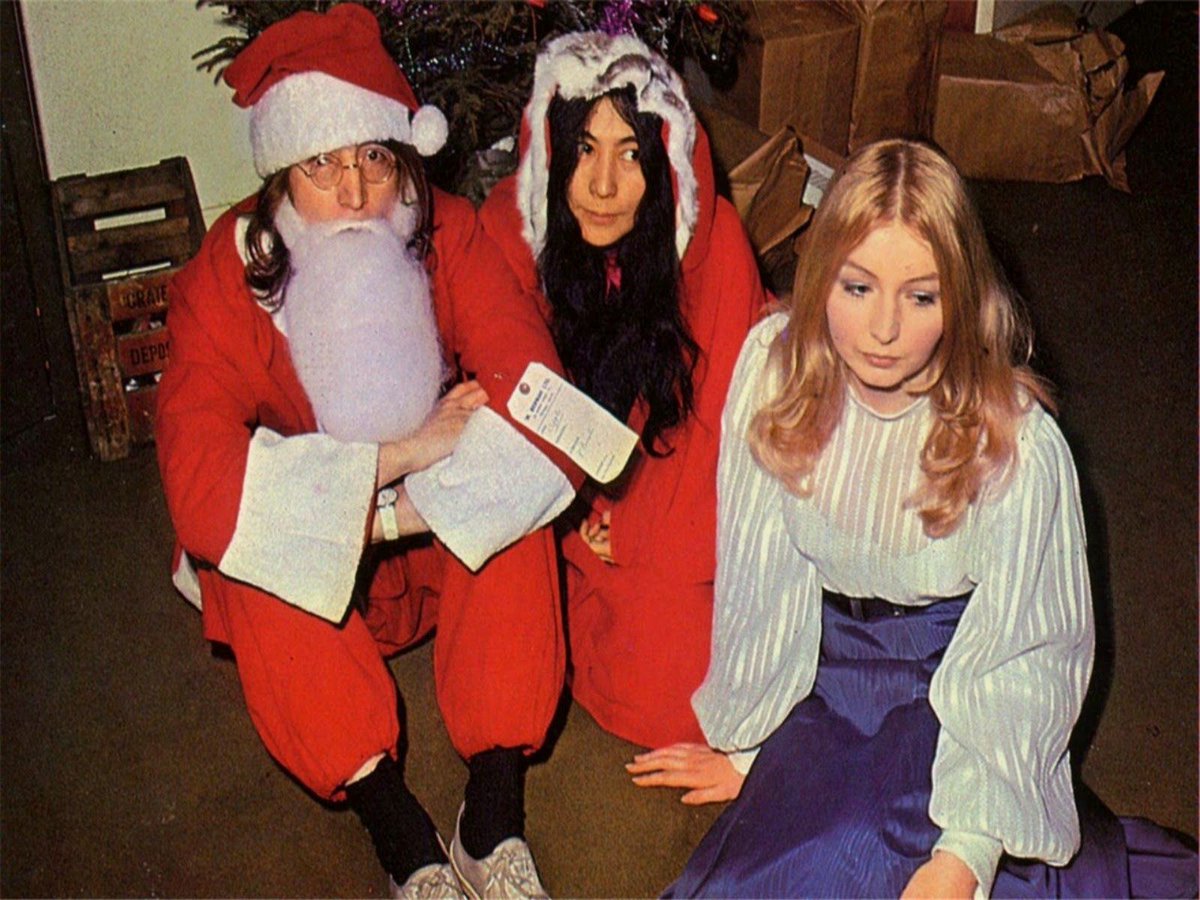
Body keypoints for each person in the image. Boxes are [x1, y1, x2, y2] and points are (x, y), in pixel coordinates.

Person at [629, 139, 1198, 897]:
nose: (883, 330)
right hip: (825, 681)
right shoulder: (776, 369)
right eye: (857, 287)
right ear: (820, 274)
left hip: (955, 684)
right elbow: (759, 571)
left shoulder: (1017, 445)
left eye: (921, 297)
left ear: (961, 297)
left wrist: (964, 851)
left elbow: (1031, 656)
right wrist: (748, 748)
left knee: (873, 853)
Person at [155, 6, 582, 897]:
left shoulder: (446, 230)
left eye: (374, 161)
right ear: (280, 172)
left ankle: (491, 819)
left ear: (401, 157)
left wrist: (429, 492)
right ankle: (402, 835)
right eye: (321, 166)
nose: (352, 195)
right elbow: (202, 490)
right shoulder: (220, 275)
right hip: (320, 599)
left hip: (428, 555)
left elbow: (540, 390)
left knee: (522, 466)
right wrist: (394, 461)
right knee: (253, 537)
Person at [479, 31, 766, 749]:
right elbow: (504, 395)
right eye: (583, 149)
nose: (603, 186)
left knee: (674, 695)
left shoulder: (713, 243)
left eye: (630, 154)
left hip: (666, 506)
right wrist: (574, 518)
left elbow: (716, 435)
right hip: (559, 500)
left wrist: (634, 534)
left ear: (665, 164)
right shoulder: (509, 235)